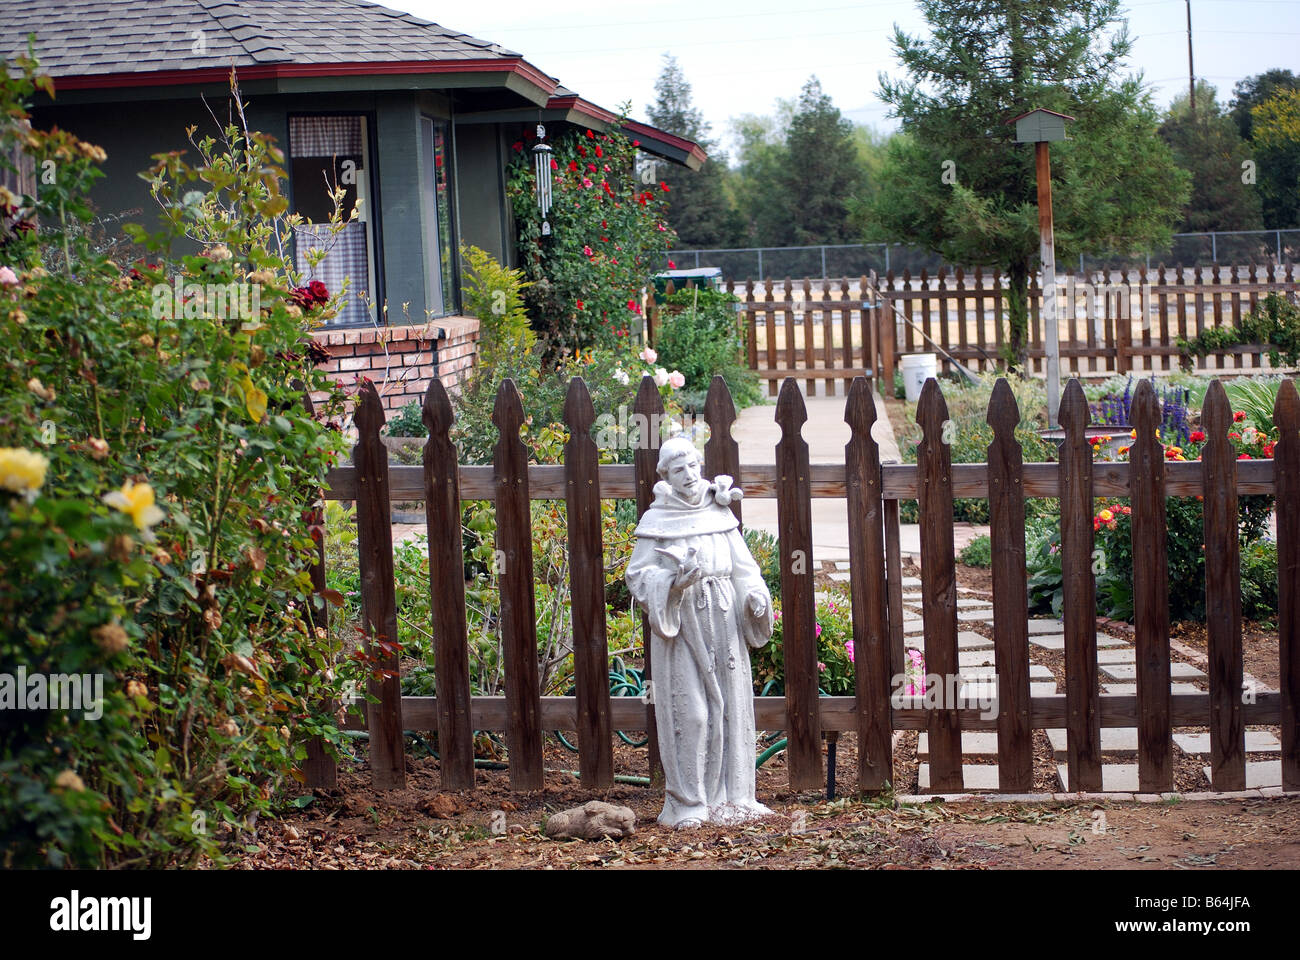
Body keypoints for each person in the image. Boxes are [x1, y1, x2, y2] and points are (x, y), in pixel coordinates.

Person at [625, 436, 775, 828]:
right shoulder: (657, 522)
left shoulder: (720, 515)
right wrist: (672, 584)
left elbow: (745, 571)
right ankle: (688, 802)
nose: (689, 475)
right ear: (666, 477)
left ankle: (735, 796)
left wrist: (755, 598)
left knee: (733, 705)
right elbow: (639, 576)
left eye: (693, 465)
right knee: (691, 711)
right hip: (682, 627)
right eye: (679, 469)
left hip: (724, 623)